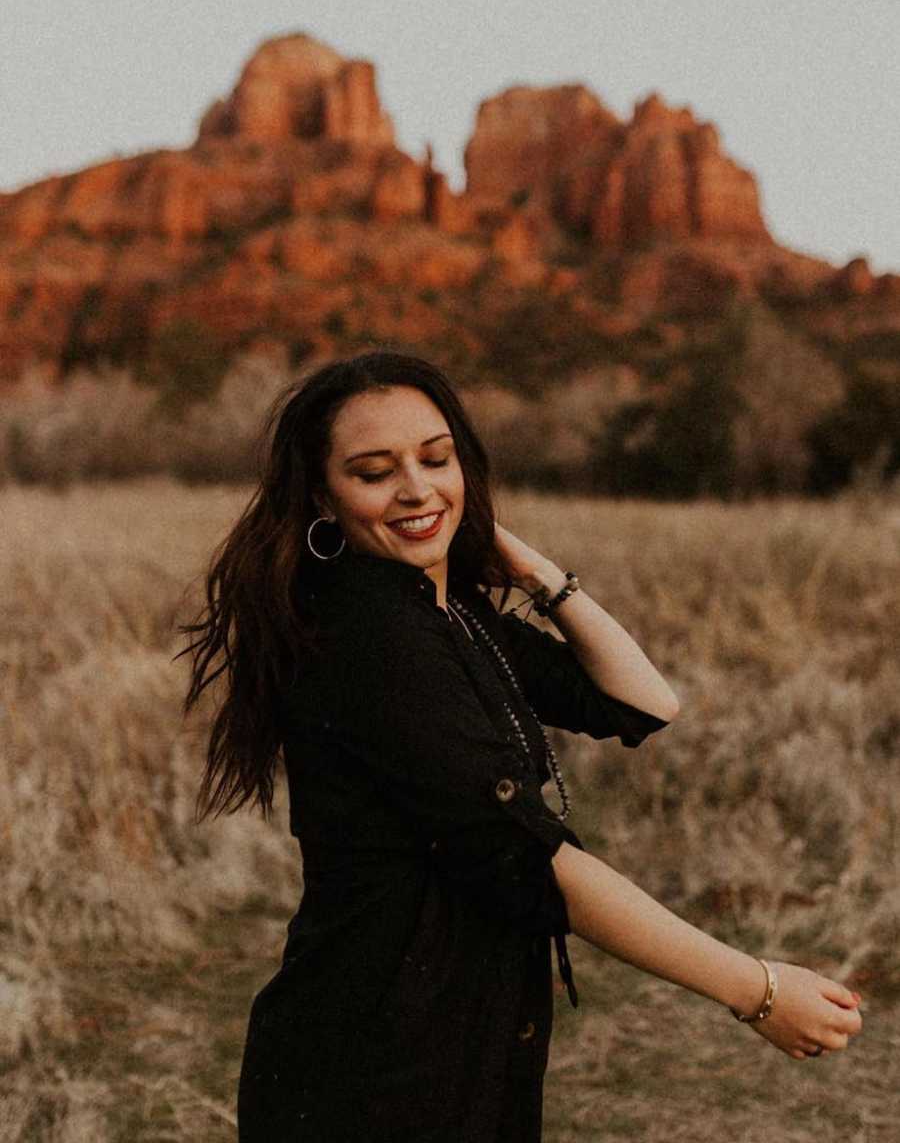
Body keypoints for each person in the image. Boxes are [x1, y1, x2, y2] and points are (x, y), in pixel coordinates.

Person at [178, 351, 863, 1142]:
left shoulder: (451, 616)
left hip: (446, 1040)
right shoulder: (371, 643)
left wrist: (535, 570)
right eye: (374, 472)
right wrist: (758, 991)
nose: (416, 488)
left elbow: (642, 702)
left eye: (436, 459)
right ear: (322, 499)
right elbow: (530, 860)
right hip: (376, 1068)